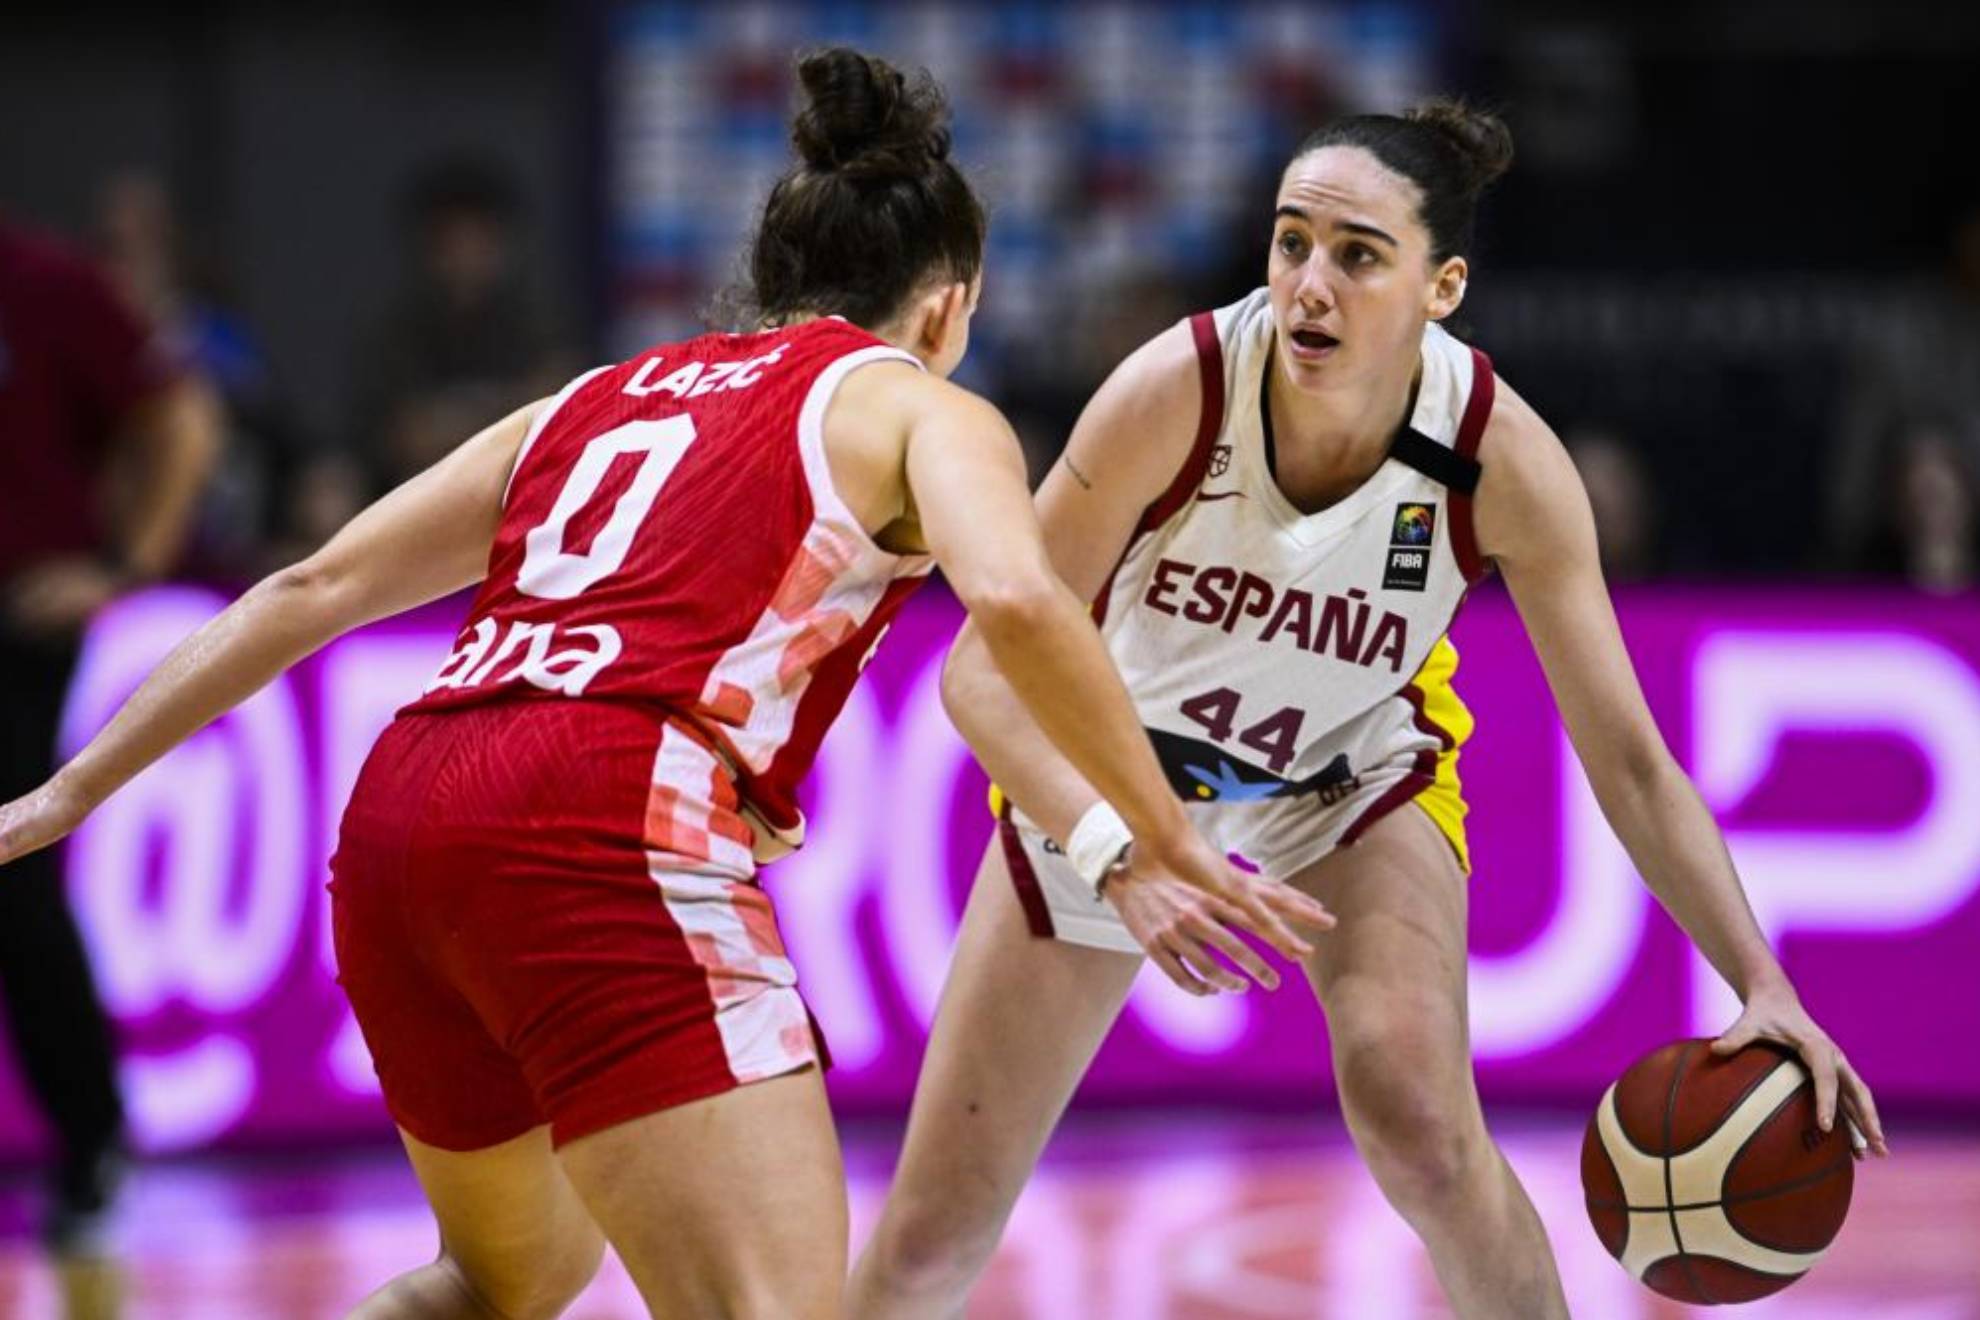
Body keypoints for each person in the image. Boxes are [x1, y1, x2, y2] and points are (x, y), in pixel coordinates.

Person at [0, 49, 1326, 1320]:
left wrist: (64, 795)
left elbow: (308, 592)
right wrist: (1164, 834)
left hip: (406, 815)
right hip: (604, 818)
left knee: (504, 1287)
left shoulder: (596, 394)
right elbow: (1024, 602)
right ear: (950, 304)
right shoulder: (923, 406)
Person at [849, 102, 1890, 1320]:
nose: (1309, 286)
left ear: (1443, 285)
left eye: (1357, 254)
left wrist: (1760, 982)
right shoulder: (1176, 389)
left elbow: (1633, 762)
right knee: (930, 1243)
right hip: (1120, 781)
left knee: (1421, 1124)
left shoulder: (1503, 456)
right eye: (1291, 244)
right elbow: (982, 676)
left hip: (1346, 774)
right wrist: (1123, 852)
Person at [0, 213, 221, 1251]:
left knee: (15, 875)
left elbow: (182, 419)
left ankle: (93, 1144)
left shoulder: (44, 282)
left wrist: (129, 566)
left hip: (15, 631)